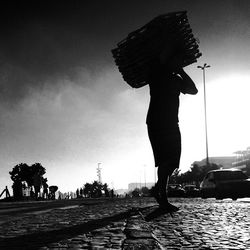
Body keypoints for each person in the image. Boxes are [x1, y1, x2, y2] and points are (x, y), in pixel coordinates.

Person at [147, 47, 198, 211]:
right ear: (168, 60)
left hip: (171, 123)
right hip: (157, 122)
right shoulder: (157, 75)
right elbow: (155, 60)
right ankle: (163, 198)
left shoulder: (176, 79)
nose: (179, 63)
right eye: (177, 60)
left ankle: (159, 190)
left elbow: (193, 90)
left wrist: (181, 71)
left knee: (173, 161)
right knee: (165, 160)